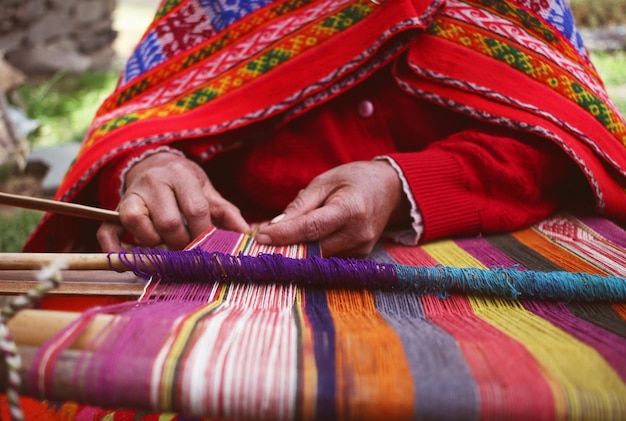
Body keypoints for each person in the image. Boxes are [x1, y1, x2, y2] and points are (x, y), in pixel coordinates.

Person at [24, 0, 626, 257]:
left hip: (477, 272)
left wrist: (401, 186)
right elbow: (142, 120)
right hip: (239, 278)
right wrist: (152, 170)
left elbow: (564, 140)